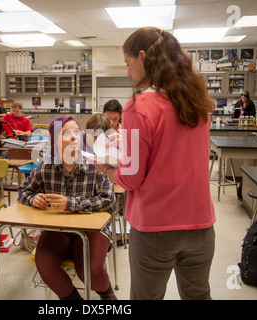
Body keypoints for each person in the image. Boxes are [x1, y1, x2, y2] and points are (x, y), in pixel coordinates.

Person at [96, 27, 216, 300]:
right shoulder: (197, 103)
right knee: (198, 295)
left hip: (156, 228)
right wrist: (128, 146)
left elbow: (132, 178)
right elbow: (176, 152)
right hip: (200, 225)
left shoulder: (139, 106)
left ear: (142, 57)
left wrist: (106, 169)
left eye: (128, 64)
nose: (128, 72)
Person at [18, 115, 117, 300]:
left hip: (91, 231)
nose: (73, 137)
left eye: (76, 132)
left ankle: (107, 295)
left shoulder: (95, 165)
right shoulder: (46, 168)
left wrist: (71, 204)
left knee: (89, 273)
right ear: (55, 141)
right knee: (44, 264)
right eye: (66, 133)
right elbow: (23, 190)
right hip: (58, 230)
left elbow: (110, 201)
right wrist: (33, 199)